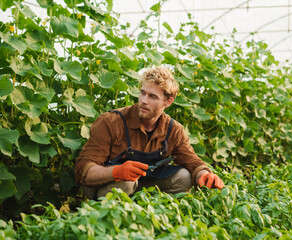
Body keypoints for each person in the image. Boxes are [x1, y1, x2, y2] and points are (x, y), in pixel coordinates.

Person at [75, 67, 224, 199]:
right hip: (104, 187)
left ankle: (152, 215)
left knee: (184, 177)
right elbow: (84, 171)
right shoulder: (111, 122)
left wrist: (204, 174)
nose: (144, 101)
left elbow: (193, 162)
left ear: (168, 102)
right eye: (142, 93)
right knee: (127, 182)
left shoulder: (173, 130)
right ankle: (110, 218)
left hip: (142, 184)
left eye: (152, 96)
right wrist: (117, 171)